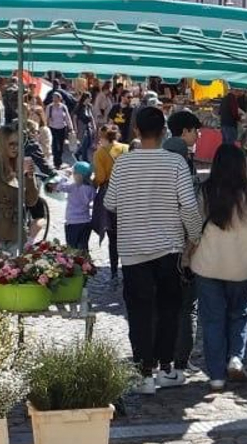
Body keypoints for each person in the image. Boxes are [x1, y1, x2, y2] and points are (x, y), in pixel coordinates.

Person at [104, 106, 202, 394]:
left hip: (133, 250)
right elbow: (189, 206)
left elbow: (110, 203)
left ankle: (144, 371)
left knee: (139, 312)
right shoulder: (176, 164)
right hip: (169, 248)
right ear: (163, 132)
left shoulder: (123, 164)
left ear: (135, 131)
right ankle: (166, 368)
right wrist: (194, 238)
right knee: (169, 309)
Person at [189, 143, 247, 391]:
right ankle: (235, 357)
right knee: (239, 312)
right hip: (242, 266)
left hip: (208, 265)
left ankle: (216, 375)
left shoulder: (205, 192)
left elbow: (193, 227)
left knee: (212, 320)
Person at [163, 109, 202, 369]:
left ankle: (161, 357)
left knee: (165, 303)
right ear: (185, 131)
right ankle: (180, 360)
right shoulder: (182, 161)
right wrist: (196, 237)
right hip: (181, 241)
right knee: (186, 304)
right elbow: (188, 206)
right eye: (195, 130)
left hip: (158, 241)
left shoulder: (159, 157)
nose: (198, 135)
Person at [0, 124, 43, 249]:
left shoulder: (22, 165)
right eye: (11, 144)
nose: (15, 148)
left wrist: (28, 176)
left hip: (17, 230)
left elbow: (31, 201)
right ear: (2, 144)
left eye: (18, 144)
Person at [91, 125, 129, 278]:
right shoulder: (126, 148)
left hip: (110, 193)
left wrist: (93, 183)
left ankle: (114, 270)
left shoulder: (99, 153)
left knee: (112, 235)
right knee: (127, 234)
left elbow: (100, 177)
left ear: (102, 137)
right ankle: (127, 267)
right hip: (127, 193)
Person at [63, 162, 96, 251]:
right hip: (86, 221)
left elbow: (59, 186)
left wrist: (66, 176)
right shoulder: (91, 188)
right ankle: (86, 263)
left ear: (77, 175)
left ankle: (74, 264)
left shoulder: (72, 187)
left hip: (72, 222)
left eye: (74, 173)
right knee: (83, 247)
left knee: (72, 248)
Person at [45, 91, 72, 169]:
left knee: (60, 145)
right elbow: (46, 118)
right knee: (54, 145)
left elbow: (67, 117)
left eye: (56, 97)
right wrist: (46, 127)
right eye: (53, 97)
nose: (54, 99)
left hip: (62, 127)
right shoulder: (49, 107)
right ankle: (56, 162)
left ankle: (59, 160)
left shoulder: (63, 107)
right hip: (52, 128)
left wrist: (71, 127)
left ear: (60, 99)